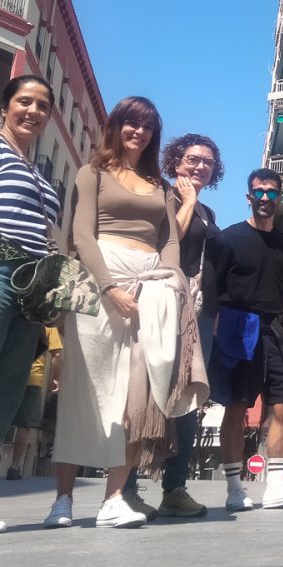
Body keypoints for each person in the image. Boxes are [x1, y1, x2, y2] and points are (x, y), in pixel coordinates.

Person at [45, 96, 208, 530]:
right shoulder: (91, 172)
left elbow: (170, 238)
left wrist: (172, 280)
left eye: (148, 126)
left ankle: (114, 497)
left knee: (141, 392)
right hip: (102, 280)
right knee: (87, 390)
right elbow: (82, 232)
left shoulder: (157, 185)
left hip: (151, 285)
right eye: (131, 124)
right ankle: (62, 499)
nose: (139, 132)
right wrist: (108, 286)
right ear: (116, 126)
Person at [121, 133, 226, 519]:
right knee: (148, 392)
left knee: (189, 398)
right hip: (165, 306)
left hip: (198, 314)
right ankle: (127, 486)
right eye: (193, 159)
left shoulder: (208, 213)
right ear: (175, 161)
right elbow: (167, 243)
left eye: (208, 162)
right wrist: (189, 201)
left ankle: (175, 488)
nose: (200, 166)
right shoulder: (164, 194)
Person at [0, 75, 60, 535]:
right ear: (6, 105)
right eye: (24, 102)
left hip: (31, 287)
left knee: (6, 392)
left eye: (42, 106)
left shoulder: (40, 173)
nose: (33, 111)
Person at [209, 168, 283, 511]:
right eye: (259, 192)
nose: (265, 198)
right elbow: (212, 291)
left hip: (275, 331)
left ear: (280, 198)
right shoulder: (228, 238)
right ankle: (235, 488)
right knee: (236, 408)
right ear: (248, 197)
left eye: (271, 192)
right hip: (238, 326)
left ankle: (276, 485)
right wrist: (217, 332)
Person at [6, 326, 62, 480]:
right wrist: (56, 378)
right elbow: (56, 355)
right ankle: (14, 466)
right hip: (33, 378)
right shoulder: (48, 325)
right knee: (24, 425)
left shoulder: (21, 318)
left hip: (8, 375)